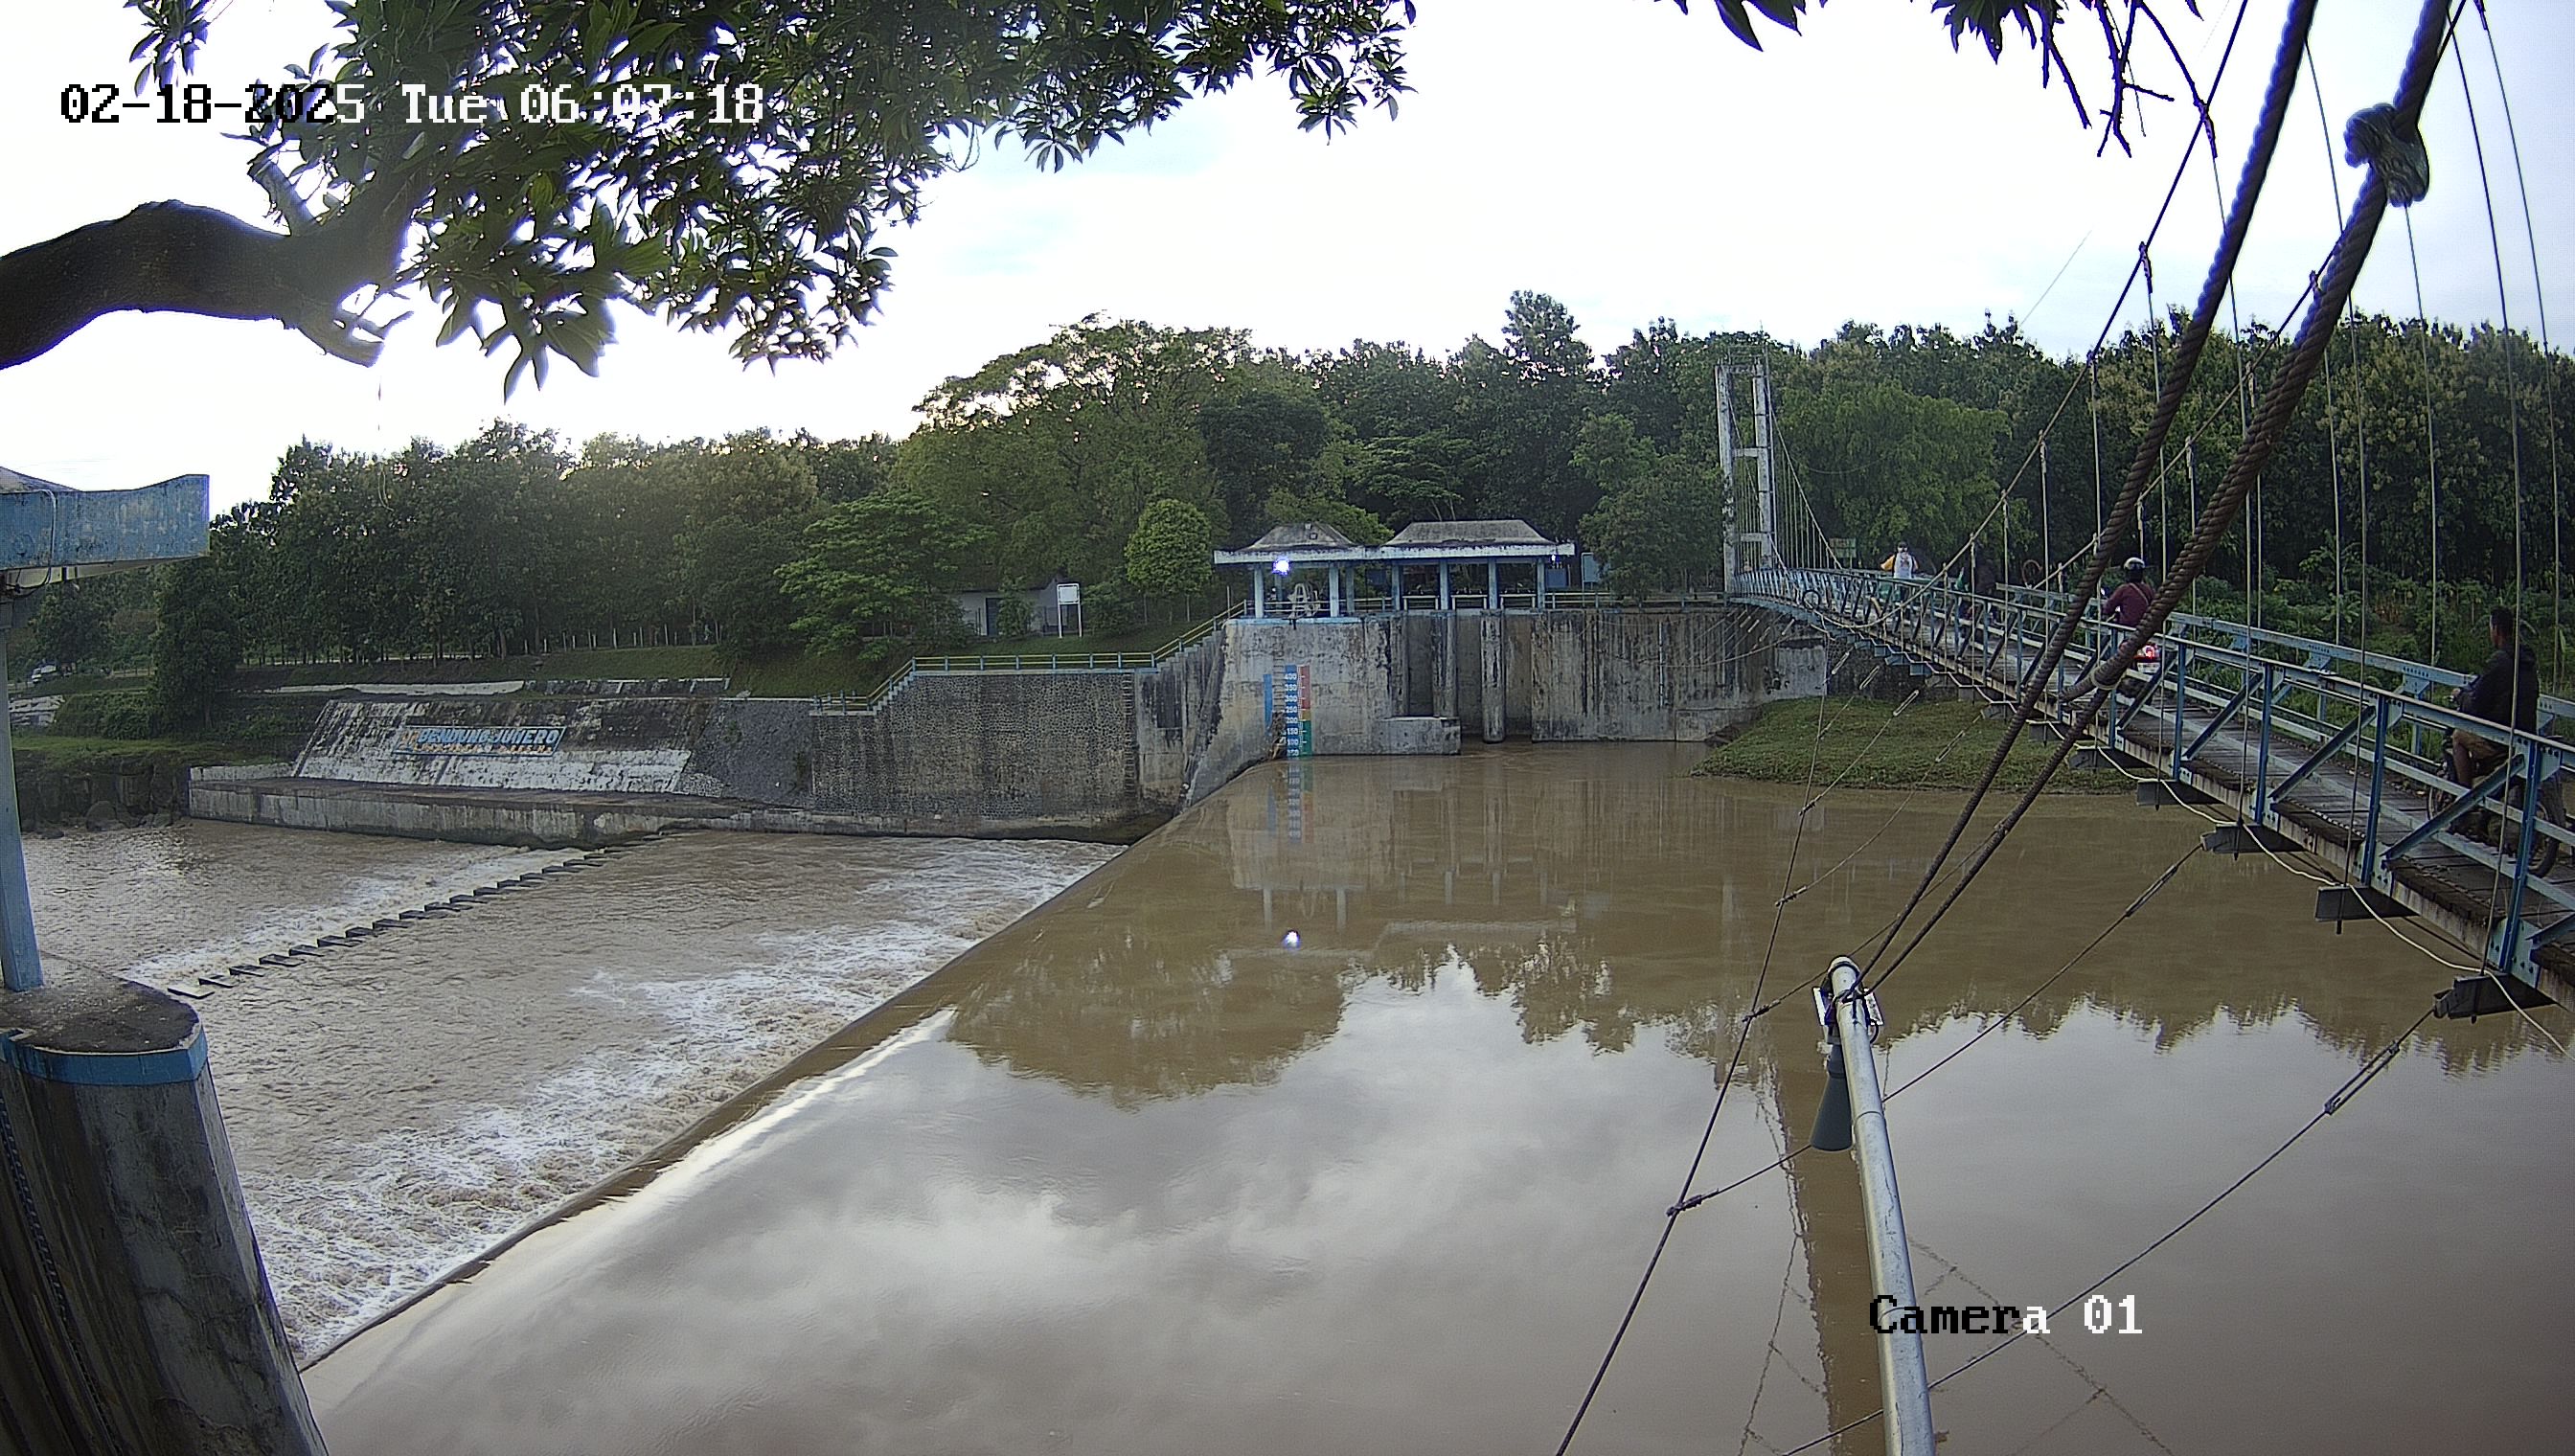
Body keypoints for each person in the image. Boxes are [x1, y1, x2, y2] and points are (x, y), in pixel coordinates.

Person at [2448, 604, 2540, 786]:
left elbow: (2476, 704)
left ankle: (2464, 795)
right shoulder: (2526, 661)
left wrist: (2460, 696)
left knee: (2458, 736)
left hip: (2501, 739)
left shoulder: (2499, 661)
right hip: (2524, 738)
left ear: (2496, 629)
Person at [2104, 557, 2152, 628]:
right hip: (2145, 628)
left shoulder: (2124, 589)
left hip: (2127, 628)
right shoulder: (2149, 589)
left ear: (2127, 573)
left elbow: (2109, 607)